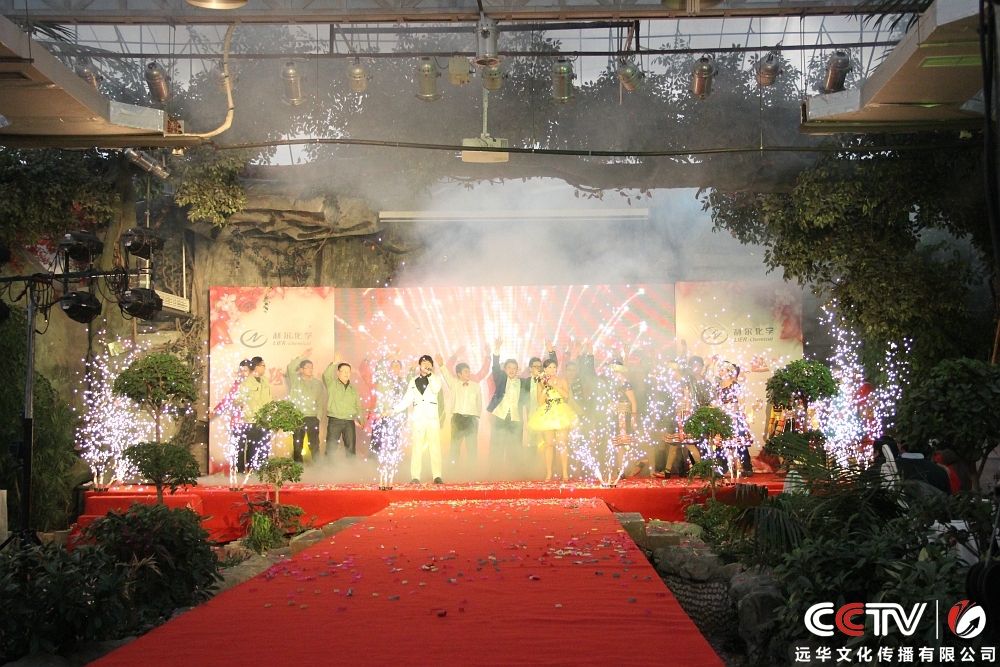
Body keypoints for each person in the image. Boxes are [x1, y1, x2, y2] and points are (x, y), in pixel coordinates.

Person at [393, 355, 444, 484]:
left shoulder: (436, 379)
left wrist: (430, 374)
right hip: (418, 418)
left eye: (428, 363)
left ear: (432, 366)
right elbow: (406, 400)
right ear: (419, 365)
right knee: (417, 447)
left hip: (432, 418)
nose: (426, 365)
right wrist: (393, 410)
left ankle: (437, 475)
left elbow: (436, 389)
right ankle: (415, 476)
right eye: (423, 363)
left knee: (435, 447)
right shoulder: (413, 381)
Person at [527, 358, 577, 481]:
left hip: (560, 412)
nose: (552, 370)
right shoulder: (541, 383)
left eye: (554, 367)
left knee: (562, 444)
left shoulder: (562, 381)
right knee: (549, 445)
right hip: (548, 412)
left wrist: (554, 385)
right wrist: (545, 387)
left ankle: (565, 472)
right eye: (549, 367)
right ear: (544, 369)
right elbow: (540, 401)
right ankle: (549, 472)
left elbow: (566, 395)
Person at [439, 348, 489, 467]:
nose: (468, 373)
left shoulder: (476, 386)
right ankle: (453, 468)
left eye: (469, 371)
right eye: (465, 371)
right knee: (455, 445)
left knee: (472, 446)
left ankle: (471, 469)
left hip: (471, 420)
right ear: (459, 374)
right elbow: (446, 374)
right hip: (457, 419)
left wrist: (476, 417)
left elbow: (479, 403)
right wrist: (441, 365)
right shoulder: (454, 384)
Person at [715, 362, 754, 477]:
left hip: (735, 417)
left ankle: (746, 467)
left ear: (729, 371)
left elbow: (741, 402)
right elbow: (718, 402)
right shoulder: (718, 386)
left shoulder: (735, 385)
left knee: (740, 443)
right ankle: (723, 468)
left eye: (723, 370)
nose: (720, 372)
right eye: (720, 370)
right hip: (723, 418)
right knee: (723, 443)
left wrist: (742, 417)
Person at [287, 349, 324, 464]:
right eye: (307, 367)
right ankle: (298, 468)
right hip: (298, 416)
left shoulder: (317, 383)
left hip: (313, 417)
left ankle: (318, 467)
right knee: (298, 444)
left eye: (311, 367)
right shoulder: (296, 380)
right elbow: (290, 368)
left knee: (314, 444)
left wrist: (318, 416)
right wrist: (301, 357)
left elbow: (320, 401)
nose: (310, 369)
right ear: (301, 369)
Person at [235, 357, 272, 473]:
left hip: (265, 420)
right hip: (251, 421)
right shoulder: (246, 383)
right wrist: (242, 405)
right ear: (256, 367)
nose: (265, 368)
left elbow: (269, 398)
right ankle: (251, 472)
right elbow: (238, 400)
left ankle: (263, 472)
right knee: (252, 447)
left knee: (264, 447)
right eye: (263, 366)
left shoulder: (265, 381)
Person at [322, 358, 363, 458]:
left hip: (349, 421)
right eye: (343, 371)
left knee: (351, 448)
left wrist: (360, 418)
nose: (346, 373)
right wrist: (334, 363)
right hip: (335, 420)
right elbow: (326, 376)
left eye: (348, 371)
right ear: (338, 372)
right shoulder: (332, 384)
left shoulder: (353, 388)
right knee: (331, 448)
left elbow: (357, 405)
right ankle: (328, 467)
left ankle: (350, 467)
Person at [369, 358, 407, 455]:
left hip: (395, 417)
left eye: (397, 366)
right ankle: (372, 462)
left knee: (393, 443)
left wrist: (404, 418)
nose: (394, 368)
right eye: (392, 366)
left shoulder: (403, 383)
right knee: (376, 442)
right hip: (381, 415)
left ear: (400, 369)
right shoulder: (383, 379)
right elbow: (379, 368)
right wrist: (388, 356)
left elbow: (405, 401)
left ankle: (391, 461)